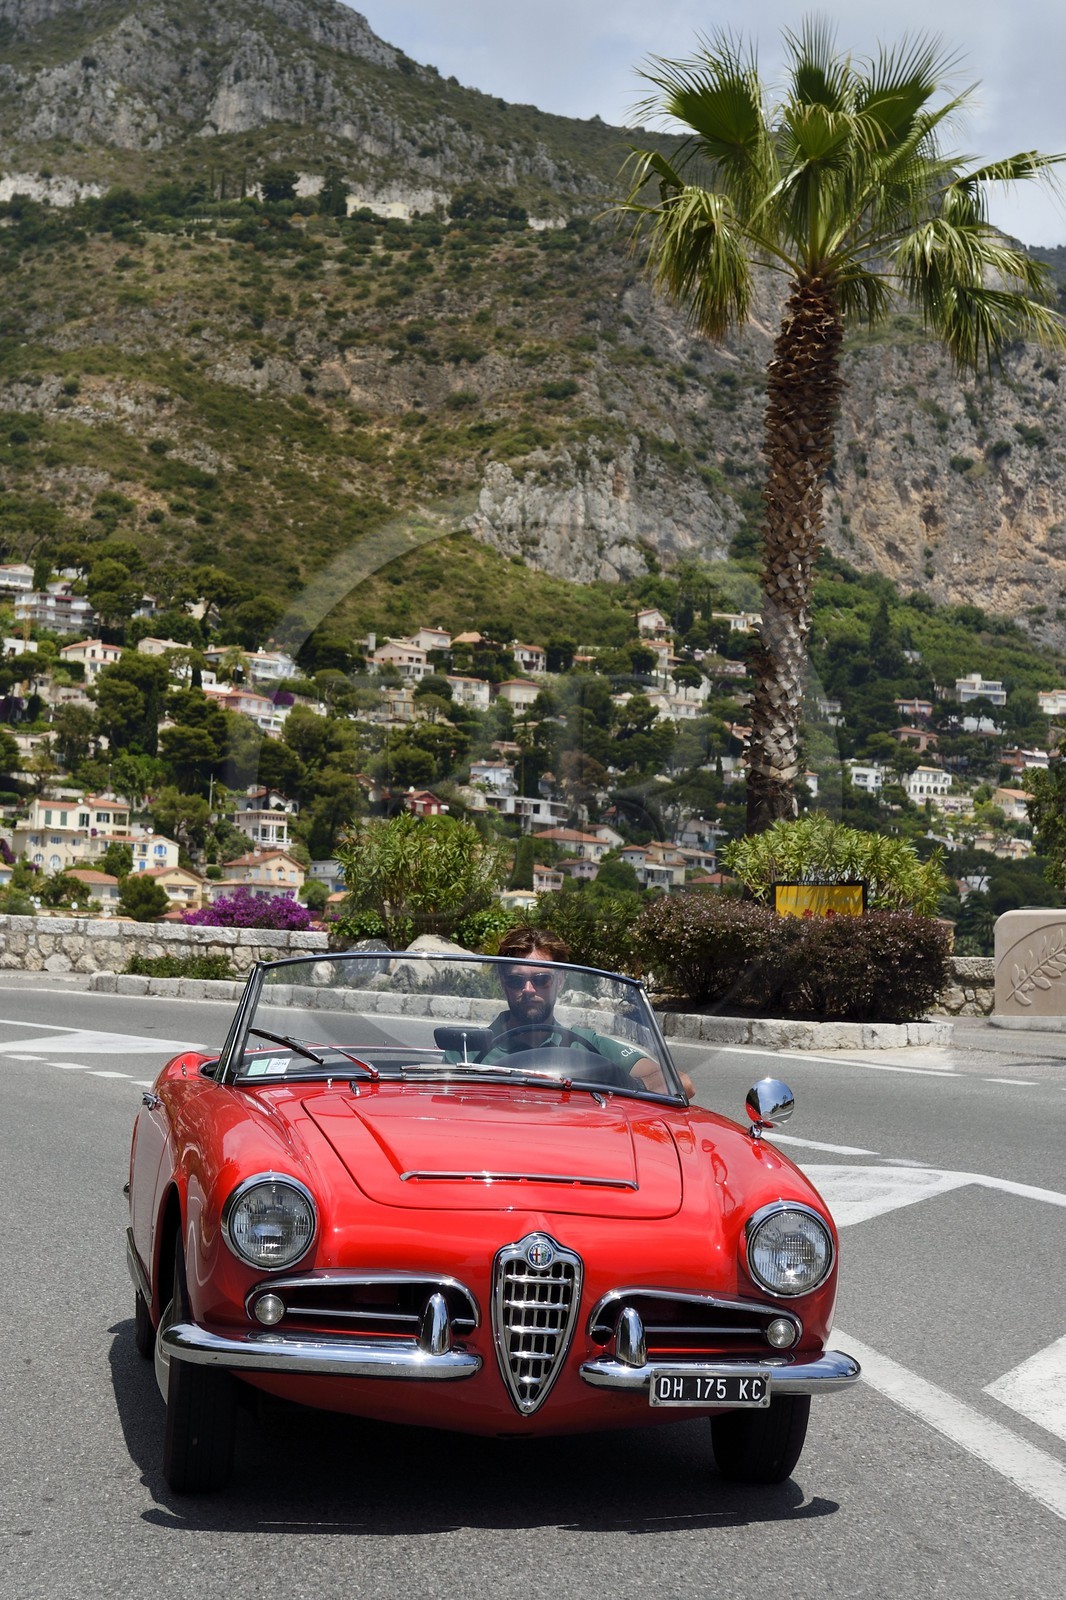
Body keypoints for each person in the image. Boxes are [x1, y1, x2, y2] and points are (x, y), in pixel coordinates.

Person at [482, 926, 694, 1099]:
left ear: (560, 981)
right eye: (516, 980)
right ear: (503, 982)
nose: (528, 989)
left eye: (542, 979)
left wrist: (626, 1084)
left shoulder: (588, 1045)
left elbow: (681, 1083)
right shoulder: (472, 1048)